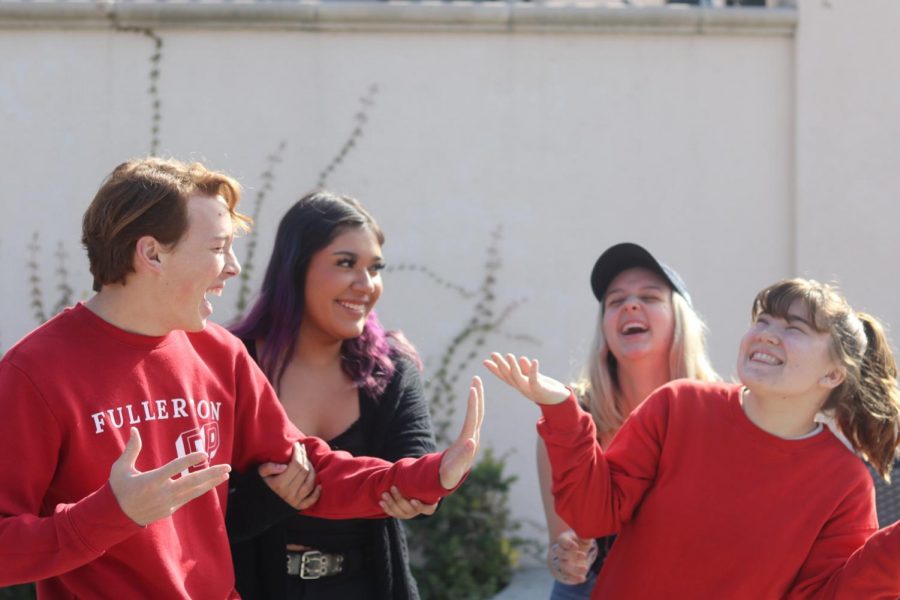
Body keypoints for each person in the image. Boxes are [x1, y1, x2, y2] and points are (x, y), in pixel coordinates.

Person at [0, 157, 484, 598]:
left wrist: (427, 473)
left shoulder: (219, 353)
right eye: (217, 248)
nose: (232, 268)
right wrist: (112, 514)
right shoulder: (34, 372)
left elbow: (306, 467)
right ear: (151, 254)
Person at [487, 278, 900, 599]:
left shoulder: (845, 482)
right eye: (763, 320)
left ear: (832, 374)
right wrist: (562, 409)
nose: (767, 333)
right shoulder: (678, 405)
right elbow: (593, 513)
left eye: (794, 328)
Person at [227, 191, 438, 599]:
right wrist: (267, 498)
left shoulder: (391, 371)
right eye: (346, 264)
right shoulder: (231, 364)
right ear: (296, 268)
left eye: (375, 268)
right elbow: (199, 514)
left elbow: (419, 470)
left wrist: (424, 490)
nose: (366, 285)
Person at [537, 243, 718, 598]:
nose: (631, 305)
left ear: (680, 319)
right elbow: (561, 544)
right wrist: (566, 558)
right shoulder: (571, 415)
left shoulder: (724, 411)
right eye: (616, 301)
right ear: (604, 326)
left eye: (649, 297)